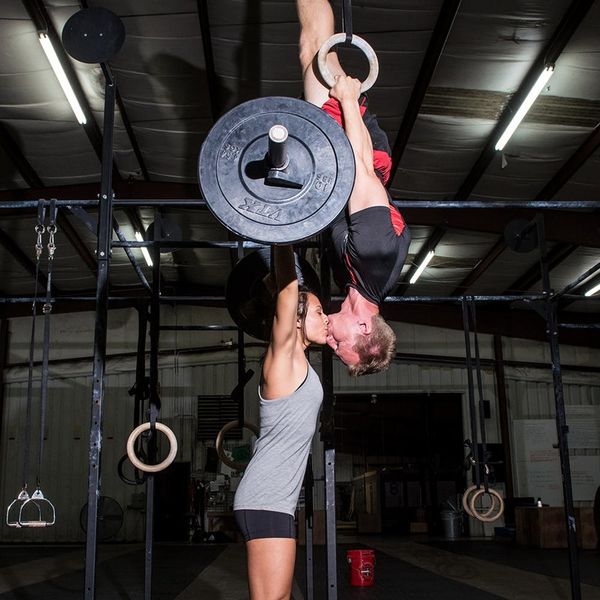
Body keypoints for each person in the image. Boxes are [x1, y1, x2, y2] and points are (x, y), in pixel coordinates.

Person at [297, 0, 411, 376]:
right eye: (339, 345)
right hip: (354, 147)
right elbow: (360, 167)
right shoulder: (374, 256)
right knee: (314, 47)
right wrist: (347, 100)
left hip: (342, 161)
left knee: (314, 48)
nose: (329, 342)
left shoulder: (355, 281)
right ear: (364, 327)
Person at [233, 246, 329, 600]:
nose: (327, 318)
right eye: (319, 312)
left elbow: (283, 289)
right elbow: (288, 291)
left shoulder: (298, 360)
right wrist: (285, 231)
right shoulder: (283, 358)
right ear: (296, 320)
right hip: (266, 499)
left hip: (276, 502)